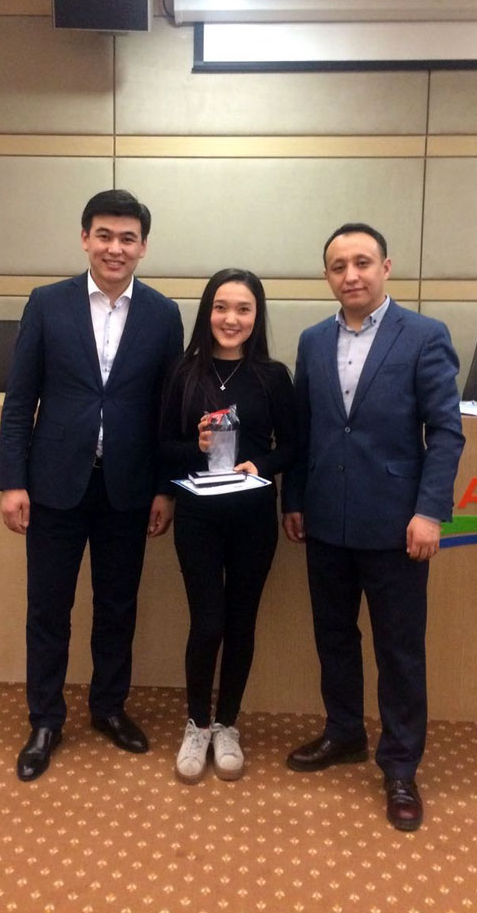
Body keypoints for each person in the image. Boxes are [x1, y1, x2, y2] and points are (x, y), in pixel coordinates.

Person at [282, 222, 464, 832]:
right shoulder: (312, 340)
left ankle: (401, 765)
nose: (351, 275)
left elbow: (446, 432)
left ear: (386, 267)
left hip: (397, 525)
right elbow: (305, 430)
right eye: (339, 266)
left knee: (399, 650)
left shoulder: (425, 335)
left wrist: (429, 511)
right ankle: (344, 734)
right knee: (333, 637)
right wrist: (294, 499)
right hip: (326, 521)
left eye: (362, 262)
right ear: (327, 276)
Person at [0, 188, 183, 782]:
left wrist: (165, 488)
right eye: (104, 235)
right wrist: (12, 481)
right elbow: (20, 400)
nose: (115, 247)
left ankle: (108, 708)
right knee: (48, 608)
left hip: (128, 487)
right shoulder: (47, 303)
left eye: (128, 238)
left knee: (117, 606)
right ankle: (45, 720)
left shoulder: (163, 314)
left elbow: (169, 413)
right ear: (85, 239)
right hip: (54, 483)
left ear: (143, 247)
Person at [160, 269, 296, 783]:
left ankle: (227, 724)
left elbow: (294, 445)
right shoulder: (183, 373)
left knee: (241, 622)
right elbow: (161, 447)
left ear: (257, 316)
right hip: (198, 516)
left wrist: (263, 463)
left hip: (253, 517)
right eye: (221, 307)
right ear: (207, 312)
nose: (231, 318)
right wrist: (194, 448)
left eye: (243, 309)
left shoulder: (272, 376)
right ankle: (197, 723)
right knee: (207, 623)